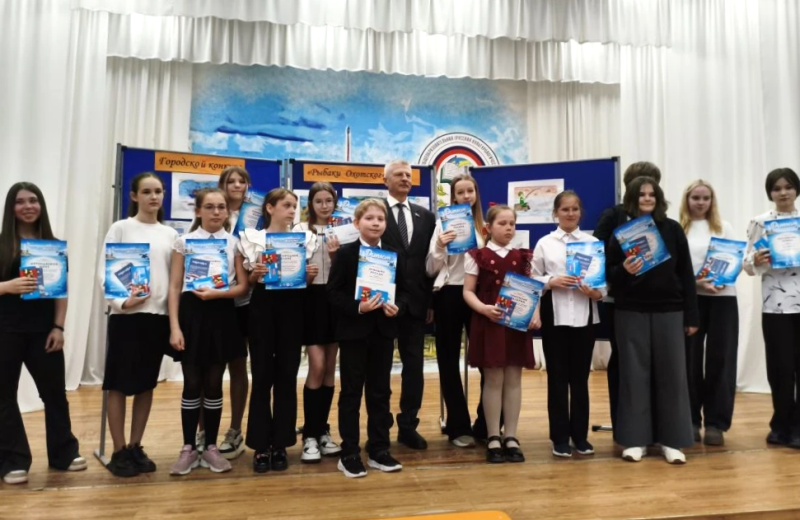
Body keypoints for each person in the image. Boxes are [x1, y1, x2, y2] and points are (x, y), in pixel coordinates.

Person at [606, 176, 698, 464]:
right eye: (641, 194)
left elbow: (686, 274)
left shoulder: (672, 229)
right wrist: (624, 269)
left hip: (670, 310)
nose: (647, 198)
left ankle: (672, 441)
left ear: (658, 199)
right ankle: (635, 440)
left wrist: (692, 315)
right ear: (632, 199)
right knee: (633, 376)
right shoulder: (621, 234)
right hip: (630, 311)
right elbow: (609, 274)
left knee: (672, 376)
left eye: (651, 194)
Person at [0, 182, 86, 485]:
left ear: (41, 205)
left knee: (55, 394)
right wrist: (6, 287)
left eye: (33, 200)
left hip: (44, 332)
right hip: (5, 331)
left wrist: (58, 327)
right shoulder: (2, 244)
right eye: (20, 201)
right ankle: (13, 460)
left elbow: (61, 292)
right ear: (11, 208)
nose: (27, 206)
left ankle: (64, 453)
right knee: (4, 397)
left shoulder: (53, 246)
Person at [100, 173, 177, 477]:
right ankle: (118, 450)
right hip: (126, 318)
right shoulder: (120, 229)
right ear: (134, 196)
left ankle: (135, 445)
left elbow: (175, 278)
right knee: (118, 385)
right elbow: (105, 271)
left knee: (146, 384)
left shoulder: (170, 234)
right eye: (146, 191)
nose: (153, 197)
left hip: (156, 318)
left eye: (158, 191)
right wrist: (122, 302)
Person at [167, 188, 248, 475]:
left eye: (221, 207)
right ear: (198, 211)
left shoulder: (234, 243)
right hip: (191, 316)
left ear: (227, 211)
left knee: (214, 383)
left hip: (222, 314)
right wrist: (174, 327)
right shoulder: (183, 242)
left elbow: (242, 286)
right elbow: (174, 287)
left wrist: (218, 294)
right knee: (192, 383)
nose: (216, 212)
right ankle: (188, 448)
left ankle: (211, 447)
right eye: (210, 207)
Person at [327, 199, 407, 478]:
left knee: (380, 392)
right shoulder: (346, 254)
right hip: (353, 333)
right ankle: (349, 452)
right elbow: (333, 293)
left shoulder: (394, 254)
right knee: (351, 392)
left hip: (383, 332)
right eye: (369, 218)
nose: (375, 223)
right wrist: (358, 307)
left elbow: (405, 291)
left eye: (380, 219)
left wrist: (398, 307)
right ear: (356, 223)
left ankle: (379, 449)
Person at [463, 204, 539, 464]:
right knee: (493, 379)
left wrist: (536, 313)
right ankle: (493, 436)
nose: (508, 228)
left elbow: (532, 289)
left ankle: (511, 436)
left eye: (512, 224)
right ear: (488, 228)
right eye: (502, 223)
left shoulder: (523, 256)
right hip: (490, 322)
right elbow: (467, 291)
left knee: (514, 379)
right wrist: (483, 309)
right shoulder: (477, 255)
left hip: (516, 325)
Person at [533, 190, 604, 458]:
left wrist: (595, 293)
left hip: (584, 317)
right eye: (565, 209)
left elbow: (602, 286)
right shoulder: (545, 243)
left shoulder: (592, 243)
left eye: (575, 209)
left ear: (580, 212)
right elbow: (532, 278)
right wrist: (551, 281)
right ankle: (560, 438)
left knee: (580, 380)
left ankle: (580, 437)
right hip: (556, 317)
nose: (570, 213)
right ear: (556, 213)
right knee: (557, 380)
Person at [593, 161, 662, 429]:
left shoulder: (662, 218)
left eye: (652, 184)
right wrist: (619, 269)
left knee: (653, 361)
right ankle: (622, 422)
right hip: (620, 300)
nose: (646, 190)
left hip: (655, 301)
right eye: (640, 183)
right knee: (623, 359)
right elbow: (597, 253)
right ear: (628, 186)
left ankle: (652, 422)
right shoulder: (613, 215)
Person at [243, 188, 307, 473]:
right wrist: (254, 274)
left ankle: (281, 442)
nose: (292, 210)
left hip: (292, 306)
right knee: (261, 376)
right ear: (269, 208)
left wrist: (309, 274)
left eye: (294, 206)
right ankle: (260, 444)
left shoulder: (304, 240)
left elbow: (304, 277)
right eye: (286, 205)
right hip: (263, 305)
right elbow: (248, 281)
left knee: (287, 375)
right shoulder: (252, 238)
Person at [426, 173, 485, 448]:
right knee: (448, 360)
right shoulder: (441, 224)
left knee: (486, 360)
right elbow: (430, 269)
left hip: (479, 296)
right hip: (449, 293)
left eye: (469, 191)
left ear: (476, 194)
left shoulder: (485, 226)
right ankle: (458, 425)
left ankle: (485, 423)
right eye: (460, 192)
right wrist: (440, 246)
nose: (465, 196)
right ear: (453, 197)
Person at [381, 160, 436, 449]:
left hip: (416, 304)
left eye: (408, 175)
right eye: (398, 175)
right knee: (379, 369)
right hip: (381, 303)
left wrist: (430, 301)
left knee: (414, 368)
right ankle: (380, 428)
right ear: (385, 180)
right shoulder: (374, 212)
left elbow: (431, 261)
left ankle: (408, 425)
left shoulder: (425, 216)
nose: (405, 178)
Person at [679, 180, 739, 447]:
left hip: (723, 300)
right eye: (696, 198)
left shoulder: (723, 227)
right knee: (689, 360)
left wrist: (722, 280)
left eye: (706, 198)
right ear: (687, 200)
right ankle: (691, 420)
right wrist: (697, 284)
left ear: (712, 200)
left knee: (721, 359)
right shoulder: (679, 228)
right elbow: (675, 270)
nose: (701, 202)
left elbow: (734, 259)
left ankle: (716, 423)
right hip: (691, 301)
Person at [743, 168, 800, 449]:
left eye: (788, 187)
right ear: (770, 193)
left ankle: (798, 427)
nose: (783, 193)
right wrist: (756, 259)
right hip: (775, 305)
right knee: (780, 368)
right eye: (777, 188)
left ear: (796, 189)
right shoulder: (760, 222)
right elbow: (746, 265)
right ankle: (780, 425)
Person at [292, 182, 342, 462]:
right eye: (319, 201)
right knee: (317, 366)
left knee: (330, 369)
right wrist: (306, 275)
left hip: (333, 300)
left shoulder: (342, 231)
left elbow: (347, 271)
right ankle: (309, 435)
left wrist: (336, 257)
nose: (324, 205)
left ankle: (323, 430)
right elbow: (292, 273)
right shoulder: (299, 231)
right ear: (310, 204)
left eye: (329, 201)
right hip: (310, 301)